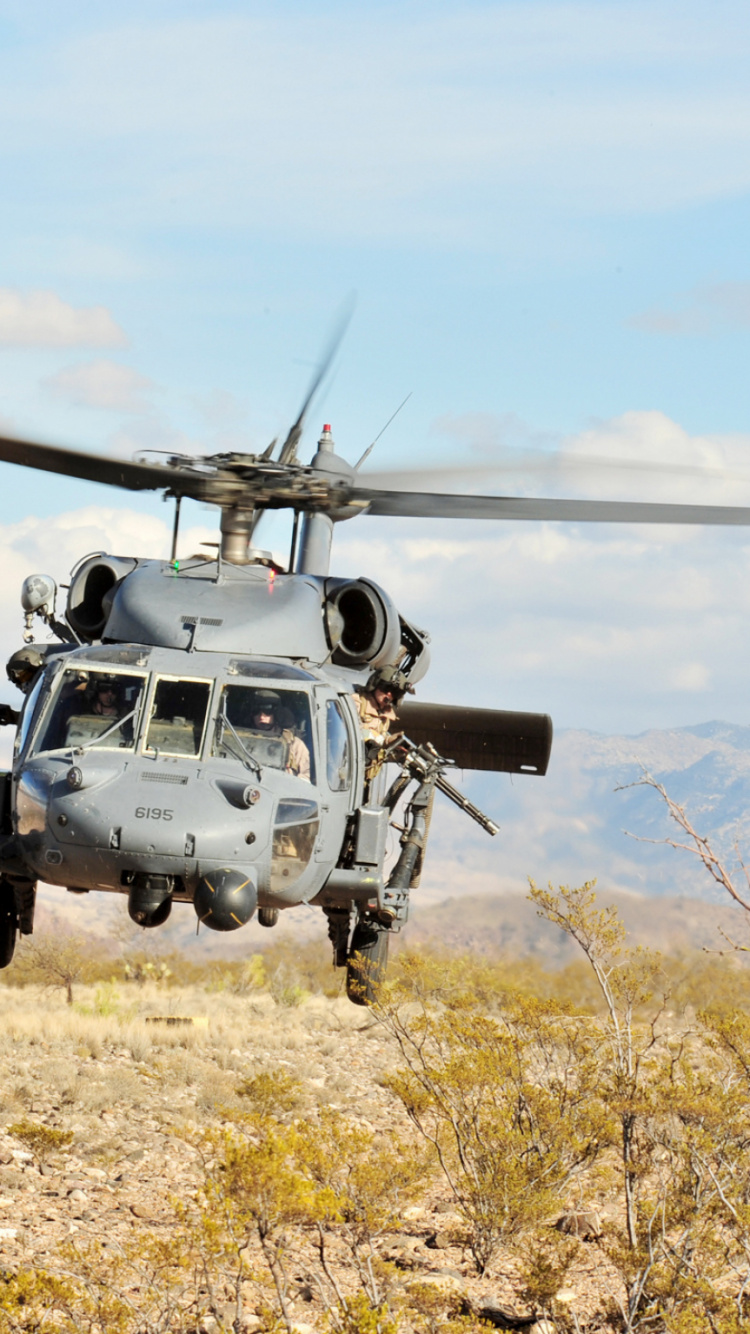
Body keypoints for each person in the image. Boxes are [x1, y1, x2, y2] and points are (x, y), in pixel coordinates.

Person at [354, 666, 409, 781]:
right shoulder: (357, 703)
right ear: (376, 684)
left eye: (394, 692)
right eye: (386, 688)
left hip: (363, 775)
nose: (389, 694)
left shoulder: (385, 717)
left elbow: (379, 738)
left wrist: (391, 741)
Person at [251, 690, 311, 781]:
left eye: (267, 711)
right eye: (257, 712)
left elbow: (307, 776)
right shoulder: (241, 740)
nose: (261, 717)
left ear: (277, 713)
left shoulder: (295, 744)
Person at [0, 647, 44, 726]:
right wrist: (13, 717)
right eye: (21, 680)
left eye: (26, 676)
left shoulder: (63, 689)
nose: (25, 683)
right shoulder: (40, 700)